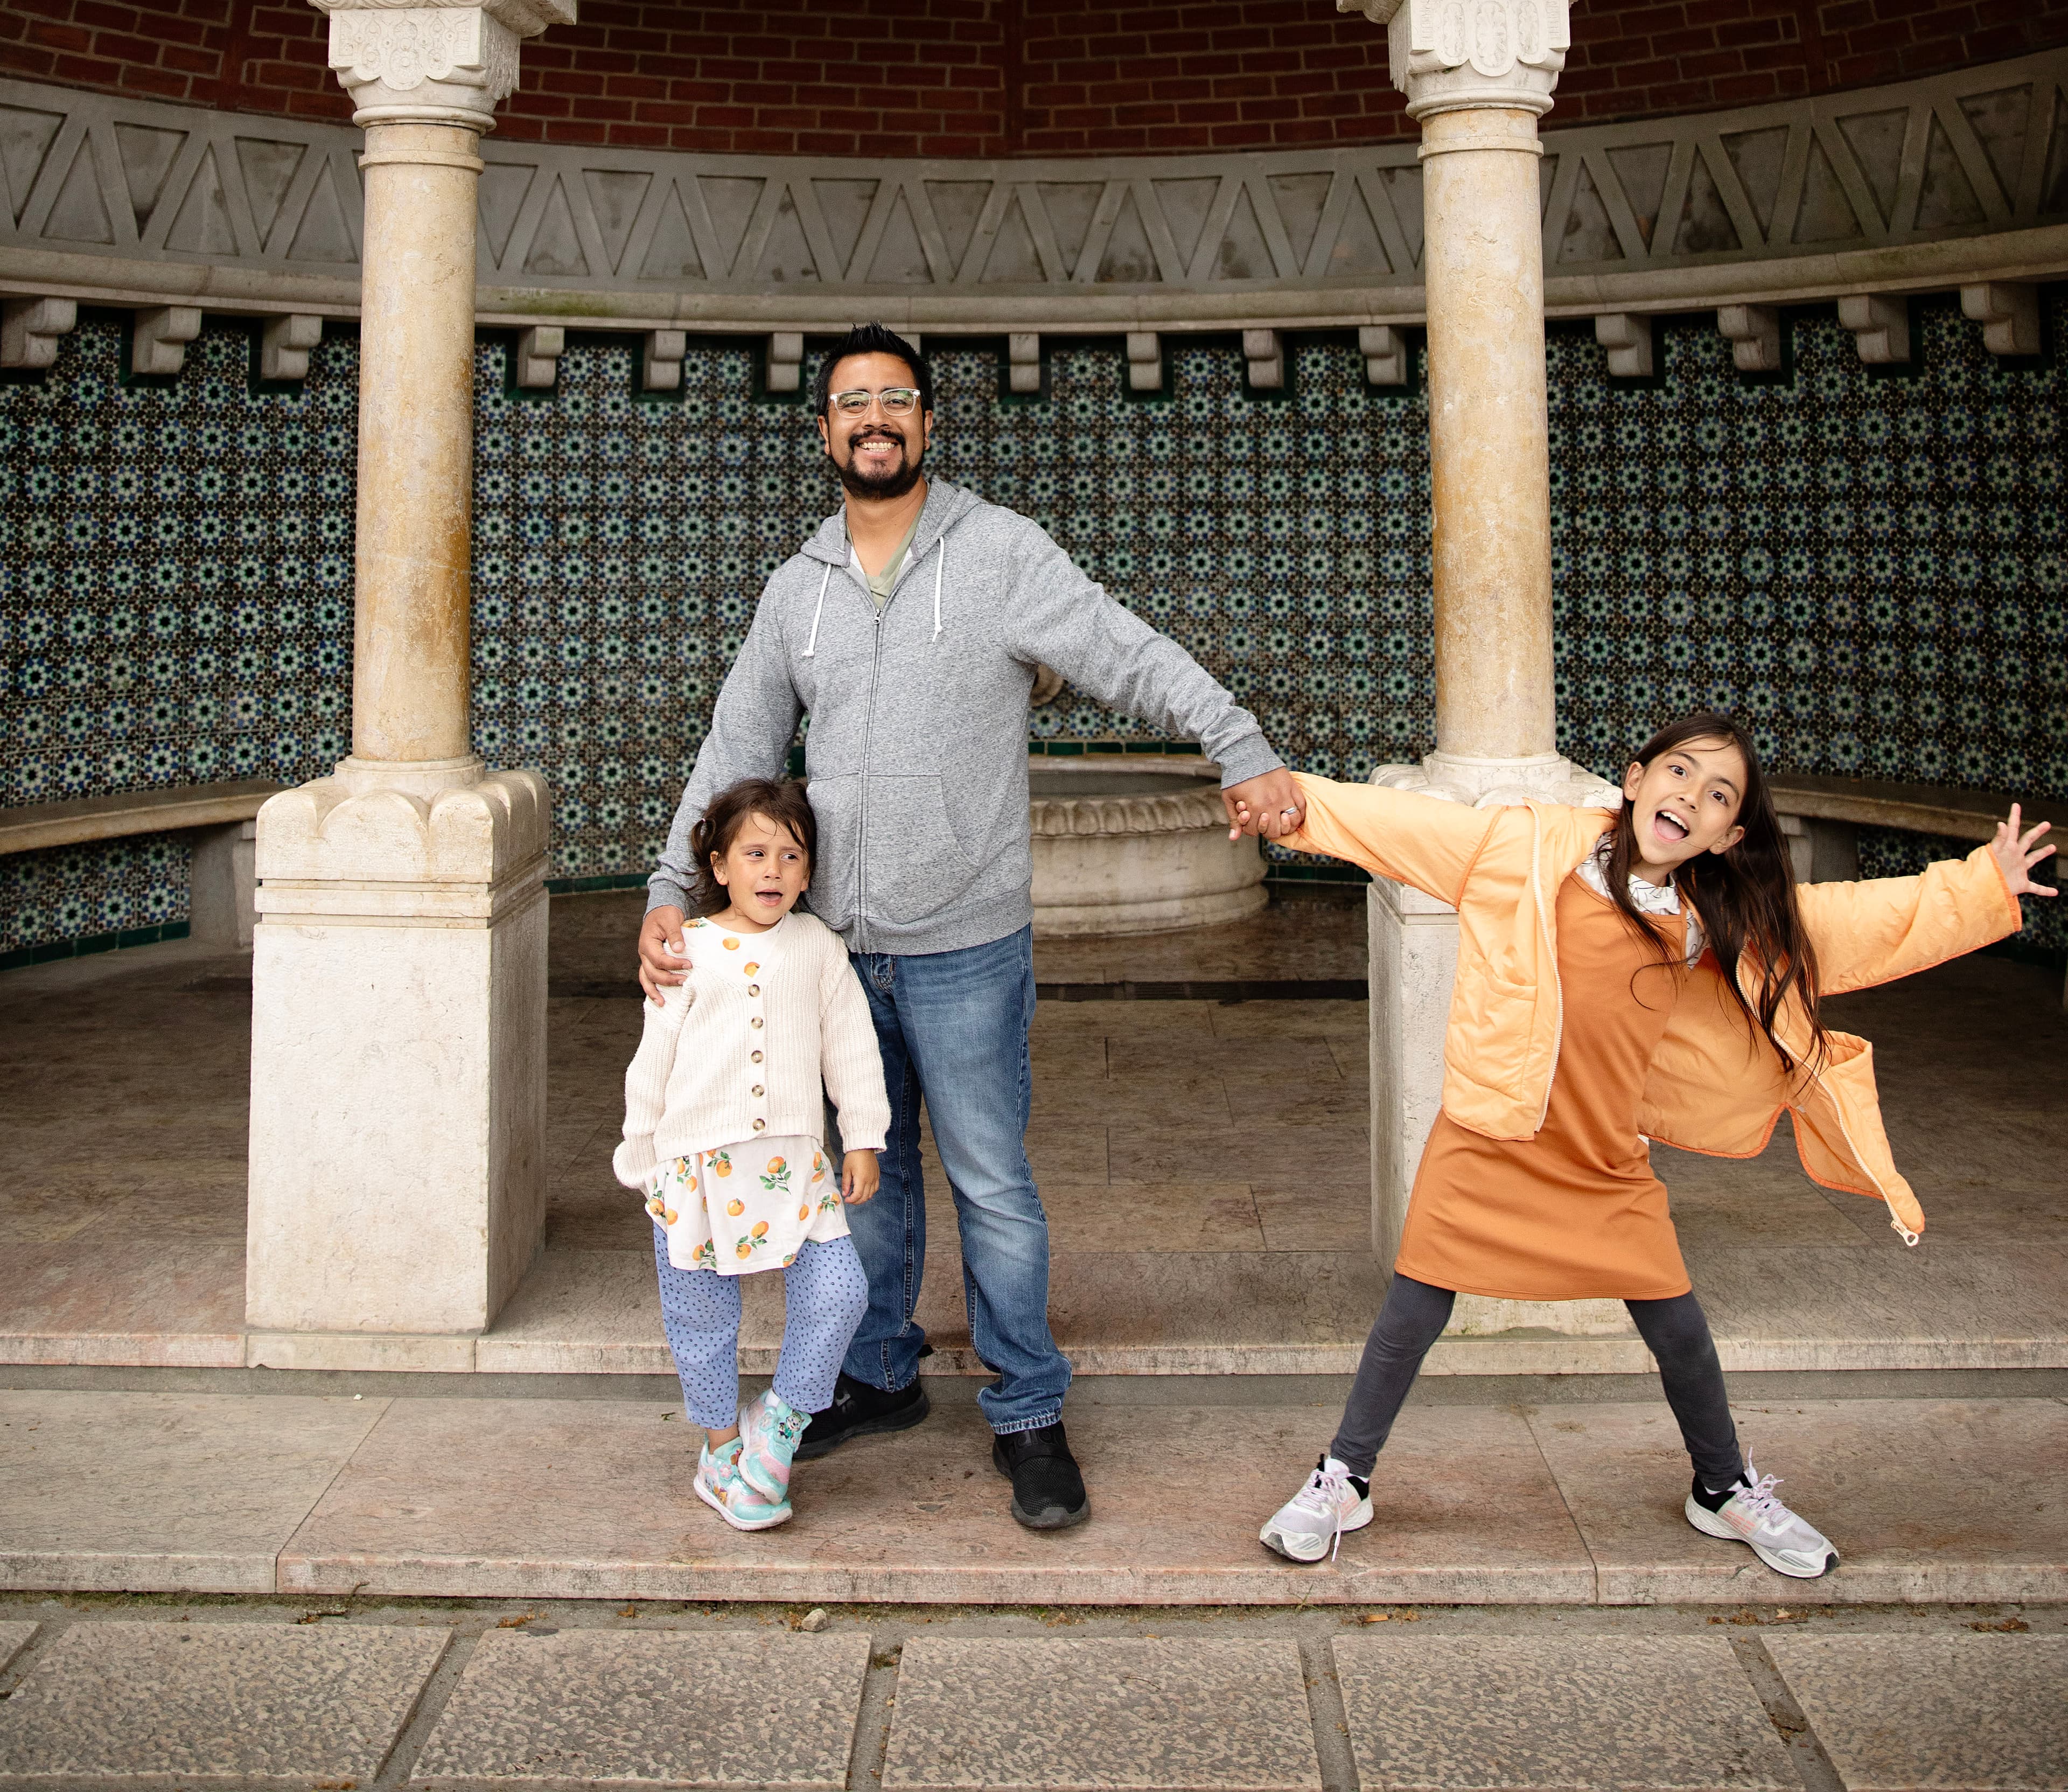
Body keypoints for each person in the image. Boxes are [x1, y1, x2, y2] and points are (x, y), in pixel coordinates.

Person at [639, 322, 1307, 1532]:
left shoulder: (999, 554)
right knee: (867, 1180)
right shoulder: (798, 587)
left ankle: (1029, 1407)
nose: (875, 420)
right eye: (853, 404)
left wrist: (1239, 743)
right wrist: (665, 889)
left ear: (929, 424)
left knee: (992, 1182)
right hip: (835, 949)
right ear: (827, 430)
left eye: (897, 400)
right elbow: (738, 747)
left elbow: (1125, 653)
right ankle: (879, 1374)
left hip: (966, 943)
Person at [1233, 714, 2055, 1577]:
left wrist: (1979, 887)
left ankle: (1723, 1490)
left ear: (1728, 835)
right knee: (1410, 1316)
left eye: (1717, 796)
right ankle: (1345, 1479)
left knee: (1681, 1332)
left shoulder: (1713, 914)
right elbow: (1396, 827)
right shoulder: (1522, 849)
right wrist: (1289, 805)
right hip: (1490, 1137)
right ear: (1633, 780)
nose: (1689, 798)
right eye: (1679, 773)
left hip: (1603, 1161)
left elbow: (1848, 921)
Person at [616, 776, 889, 1532]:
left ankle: (780, 1423)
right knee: (701, 1317)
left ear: (810, 872)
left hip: (794, 1168)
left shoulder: (819, 948)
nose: (773, 871)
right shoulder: (688, 951)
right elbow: (653, 1062)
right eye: (756, 853)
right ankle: (718, 1450)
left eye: (792, 856)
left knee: (839, 1293)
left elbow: (852, 1049)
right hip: (695, 1170)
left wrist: (863, 1137)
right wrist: (642, 1162)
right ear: (720, 863)